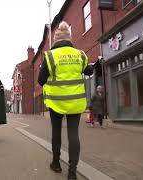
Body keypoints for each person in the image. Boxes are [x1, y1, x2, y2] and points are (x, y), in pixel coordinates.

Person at [38, 21, 95, 180]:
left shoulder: (50, 56)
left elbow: (41, 80)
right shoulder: (81, 55)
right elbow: (89, 71)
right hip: (75, 102)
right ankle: (72, 173)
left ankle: (56, 163)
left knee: (56, 132)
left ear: (56, 40)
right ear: (70, 38)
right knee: (73, 134)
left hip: (56, 102)